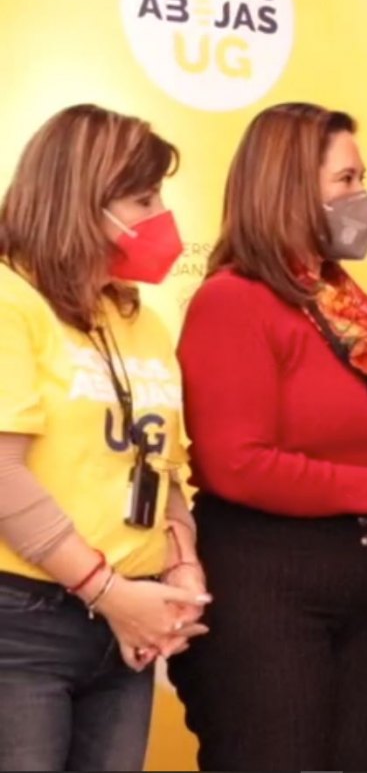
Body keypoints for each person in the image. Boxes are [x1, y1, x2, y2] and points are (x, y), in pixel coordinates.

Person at [168, 103, 367, 771]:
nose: (362, 198)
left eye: (363, 179)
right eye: (346, 180)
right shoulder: (232, 300)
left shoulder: (347, 305)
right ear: (288, 186)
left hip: (361, 582)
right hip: (263, 585)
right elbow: (235, 464)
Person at [0, 104, 210, 771]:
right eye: (143, 200)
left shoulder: (140, 319)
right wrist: (109, 593)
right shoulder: (10, 300)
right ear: (80, 200)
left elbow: (162, 465)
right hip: (25, 623)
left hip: (126, 627)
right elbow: (2, 475)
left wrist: (181, 562)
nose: (161, 216)